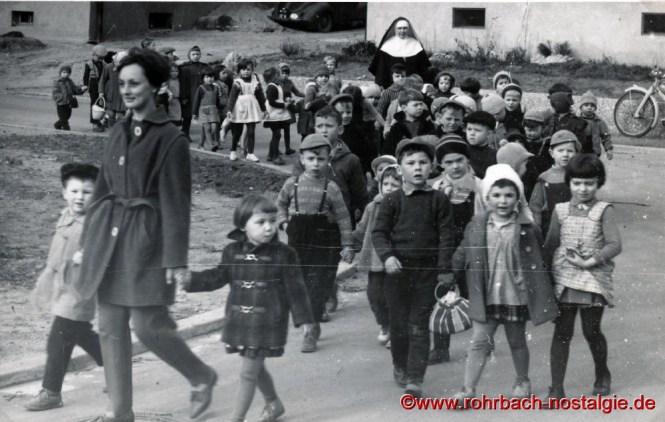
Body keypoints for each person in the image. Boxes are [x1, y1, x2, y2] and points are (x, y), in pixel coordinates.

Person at [72, 47, 217, 422]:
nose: (126, 90)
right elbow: (102, 189)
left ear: (154, 86)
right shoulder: (117, 131)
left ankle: (200, 375)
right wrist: (85, 242)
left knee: (148, 325)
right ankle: (120, 412)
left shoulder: (171, 139)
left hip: (148, 241)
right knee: (110, 326)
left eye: (134, 83)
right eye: (122, 84)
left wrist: (176, 260)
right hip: (110, 239)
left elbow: (176, 203)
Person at [182, 194, 314, 422]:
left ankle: (237, 418)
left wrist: (304, 319)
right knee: (254, 367)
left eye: (272, 221)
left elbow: (296, 289)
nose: (269, 227)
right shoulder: (232, 251)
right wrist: (191, 280)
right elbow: (218, 276)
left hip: (268, 321)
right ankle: (273, 403)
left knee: (248, 371)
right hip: (240, 320)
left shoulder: (284, 254)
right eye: (260, 222)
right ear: (243, 225)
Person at [451, 164, 558, 404]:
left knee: (517, 341)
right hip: (486, 295)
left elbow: (540, 261)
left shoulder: (527, 228)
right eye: (496, 195)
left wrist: (546, 293)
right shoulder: (477, 224)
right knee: (479, 342)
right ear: (487, 197)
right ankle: (468, 389)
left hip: (514, 295)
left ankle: (522, 381)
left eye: (509, 195)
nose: (502, 200)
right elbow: (463, 251)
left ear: (517, 198)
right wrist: (449, 276)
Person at [372, 137, 455, 398]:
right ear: (400, 169)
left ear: (432, 167)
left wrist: (444, 269)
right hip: (397, 272)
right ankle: (400, 364)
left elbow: (447, 236)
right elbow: (379, 233)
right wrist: (387, 257)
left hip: (427, 273)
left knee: (419, 324)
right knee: (398, 325)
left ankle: (415, 377)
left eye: (423, 162)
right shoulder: (392, 200)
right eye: (411, 163)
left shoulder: (439, 199)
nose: (417, 167)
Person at [24, 163, 103, 412]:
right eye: (74, 191)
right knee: (81, 335)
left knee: (58, 339)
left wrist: (88, 255)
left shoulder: (95, 225)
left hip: (79, 290)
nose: (79, 197)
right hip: (61, 286)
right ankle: (117, 368)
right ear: (64, 193)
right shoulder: (66, 215)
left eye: (87, 192)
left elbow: (103, 254)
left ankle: (51, 392)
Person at [543, 154, 622, 400]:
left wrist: (589, 262)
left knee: (591, 330)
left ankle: (602, 374)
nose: (583, 188)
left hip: (593, 279)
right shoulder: (560, 210)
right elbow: (550, 245)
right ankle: (556, 389)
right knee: (562, 332)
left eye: (589, 183)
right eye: (577, 183)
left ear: (598, 183)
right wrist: (544, 280)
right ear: (569, 182)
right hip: (564, 279)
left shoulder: (604, 210)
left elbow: (614, 244)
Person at [277, 134, 355, 353]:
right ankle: (310, 324)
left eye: (321, 159)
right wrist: (284, 222)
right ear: (302, 159)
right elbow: (280, 205)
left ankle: (310, 330)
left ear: (328, 160)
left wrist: (348, 245)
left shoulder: (331, 188)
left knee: (319, 283)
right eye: (311, 159)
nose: (315, 164)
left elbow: (343, 217)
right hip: (298, 239)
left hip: (323, 239)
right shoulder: (291, 184)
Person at [427, 136, 482, 365]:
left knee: (475, 296)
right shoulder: (436, 187)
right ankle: (441, 348)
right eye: (448, 162)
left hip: (471, 246)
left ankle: (482, 344)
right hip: (444, 248)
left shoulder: (479, 186)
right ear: (441, 164)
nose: (455, 166)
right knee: (443, 294)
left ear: (467, 159)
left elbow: (483, 218)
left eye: (459, 160)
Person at [353, 165, 402, 348]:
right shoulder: (372, 207)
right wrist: (349, 243)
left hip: (396, 260)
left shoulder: (404, 206)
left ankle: (396, 330)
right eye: (385, 183)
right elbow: (362, 228)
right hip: (375, 261)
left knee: (395, 297)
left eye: (395, 184)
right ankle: (385, 324)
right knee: (375, 296)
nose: (389, 188)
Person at [529, 130, 580, 239]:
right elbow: (535, 206)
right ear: (551, 153)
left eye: (570, 151)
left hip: (575, 228)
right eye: (560, 150)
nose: (565, 154)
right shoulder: (544, 178)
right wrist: (536, 229)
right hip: (549, 230)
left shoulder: (579, 177)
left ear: (576, 153)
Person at [369, 17, 431, 89]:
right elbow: (381, 69)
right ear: (395, 29)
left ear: (408, 29)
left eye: (405, 28)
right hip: (391, 86)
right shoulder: (387, 45)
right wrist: (381, 84)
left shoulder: (416, 44)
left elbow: (423, 68)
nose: (402, 31)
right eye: (399, 28)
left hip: (412, 85)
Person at [227, 58, 267, 162]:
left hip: (251, 107)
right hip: (240, 108)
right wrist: (229, 110)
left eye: (248, 69)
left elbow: (260, 97)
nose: (246, 71)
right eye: (243, 69)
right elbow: (232, 97)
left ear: (252, 70)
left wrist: (264, 109)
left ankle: (250, 153)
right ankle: (233, 151)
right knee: (237, 131)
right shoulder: (237, 82)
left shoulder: (255, 82)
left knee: (251, 131)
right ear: (239, 71)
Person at [382, 89, 435, 156]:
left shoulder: (428, 124)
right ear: (404, 108)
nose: (420, 107)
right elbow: (388, 150)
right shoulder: (396, 128)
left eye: (421, 104)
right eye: (415, 105)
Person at [263, 67, 292, 165]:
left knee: (276, 134)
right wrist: (283, 105)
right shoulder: (272, 87)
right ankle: (275, 156)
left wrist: (285, 99)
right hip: (273, 115)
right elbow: (271, 102)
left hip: (277, 115)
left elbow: (278, 98)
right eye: (279, 74)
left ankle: (270, 155)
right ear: (275, 76)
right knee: (277, 134)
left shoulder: (277, 86)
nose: (281, 76)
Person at [178, 45, 208, 136]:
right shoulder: (184, 68)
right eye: (193, 54)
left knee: (205, 115)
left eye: (197, 54)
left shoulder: (204, 66)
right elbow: (183, 84)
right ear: (189, 55)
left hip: (202, 94)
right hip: (189, 94)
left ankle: (207, 136)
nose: (196, 56)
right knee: (187, 116)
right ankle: (185, 134)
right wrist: (183, 97)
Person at [192, 67, 222, 151]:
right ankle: (211, 144)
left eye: (211, 77)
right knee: (207, 128)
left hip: (213, 110)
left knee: (214, 127)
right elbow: (196, 101)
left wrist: (219, 109)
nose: (209, 79)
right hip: (204, 111)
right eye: (207, 77)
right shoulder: (201, 88)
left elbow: (217, 100)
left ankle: (200, 144)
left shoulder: (216, 88)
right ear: (203, 78)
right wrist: (194, 113)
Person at [579, 91, 614, 160]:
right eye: (586, 105)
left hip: (594, 152)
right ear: (581, 107)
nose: (589, 107)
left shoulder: (599, 122)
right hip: (579, 152)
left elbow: (606, 136)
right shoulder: (576, 121)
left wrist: (608, 149)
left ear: (595, 108)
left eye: (592, 105)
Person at [278, 62, 303, 155]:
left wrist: (307, 94)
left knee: (286, 129)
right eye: (282, 73)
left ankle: (287, 149)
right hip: (279, 107)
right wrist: (285, 99)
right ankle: (275, 148)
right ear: (279, 73)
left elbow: (297, 92)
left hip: (288, 108)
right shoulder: (276, 82)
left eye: (286, 73)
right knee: (277, 130)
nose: (284, 75)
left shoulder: (290, 82)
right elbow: (274, 95)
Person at [298, 67, 330, 139]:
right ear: (316, 78)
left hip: (325, 120)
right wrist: (322, 99)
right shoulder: (312, 89)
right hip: (313, 122)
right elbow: (306, 107)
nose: (324, 78)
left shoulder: (328, 89)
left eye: (326, 76)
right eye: (321, 76)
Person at [463, 111, 498, 179]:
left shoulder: (495, 155)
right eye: (469, 129)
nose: (472, 133)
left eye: (477, 130)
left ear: (489, 133)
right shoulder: (462, 152)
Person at [52, 65, 87, 131]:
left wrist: (81, 89)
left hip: (69, 103)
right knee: (63, 118)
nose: (66, 74)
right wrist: (63, 97)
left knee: (67, 116)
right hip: (61, 103)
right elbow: (55, 93)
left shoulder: (70, 82)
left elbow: (75, 89)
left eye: (68, 73)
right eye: (64, 72)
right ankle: (66, 129)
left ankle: (57, 125)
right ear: (60, 73)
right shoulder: (57, 82)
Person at [99, 51, 128, 128]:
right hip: (110, 95)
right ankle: (111, 131)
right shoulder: (108, 67)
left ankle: (120, 131)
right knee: (111, 115)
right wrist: (101, 91)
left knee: (120, 117)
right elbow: (102, 80)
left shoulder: (127, 69)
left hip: (121, 96)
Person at [83, 44, 108, 132]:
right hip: (93, 86)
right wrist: (85, 85)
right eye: (99, 57)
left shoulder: (103, 64)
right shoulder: (88, 64)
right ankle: (94, 123)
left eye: (102, 58)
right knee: (94, 105)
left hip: (101, 86)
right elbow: (86, 76)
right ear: (93, 55)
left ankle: (99, 121)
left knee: (101, 104)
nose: (100, 60)